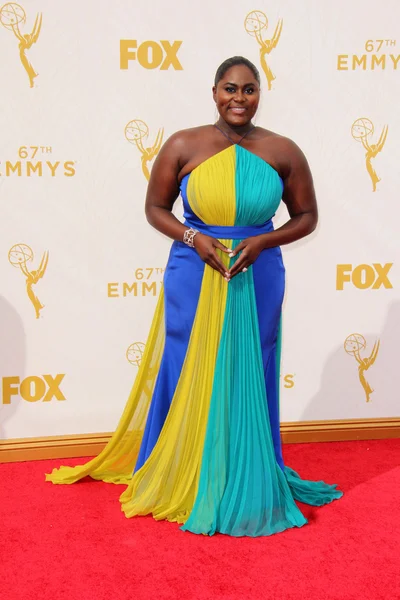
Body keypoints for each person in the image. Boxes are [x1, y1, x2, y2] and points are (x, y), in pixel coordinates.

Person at [47, 56, 343, 537]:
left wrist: (264, 240)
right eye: (230, 88)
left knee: (253, 363)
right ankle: (182, 466)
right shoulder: (183, 144)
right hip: (193, 266)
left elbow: (306, 216)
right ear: (213, 92)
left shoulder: (283, 149)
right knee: (186, 364)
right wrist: (192, 238)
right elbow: (154, 207)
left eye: (249, 90)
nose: (239, 99)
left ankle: (244, 470)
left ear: (260, 94)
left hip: (257, 269)